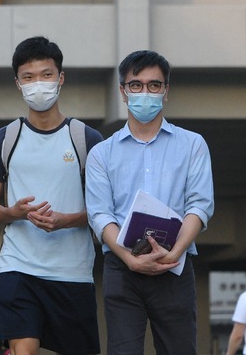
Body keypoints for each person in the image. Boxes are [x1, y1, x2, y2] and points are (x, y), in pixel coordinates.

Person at [0, 37, 102, 355]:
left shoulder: (87, 139)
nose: (38, 85)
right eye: (28, 77)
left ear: (61, 78)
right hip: (17, 265)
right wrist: (14, 212)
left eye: (46, 75)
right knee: (24, 350)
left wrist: (66, 220)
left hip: (72, 269)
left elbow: (106, 208)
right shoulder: (3, 139)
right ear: (18, 83)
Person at [85, 50, 215, 355]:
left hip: (176, 266)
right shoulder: (102, 154)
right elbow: (100, 214)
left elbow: (200, 204)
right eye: (136, 85)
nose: (145, 92)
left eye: (154, 85)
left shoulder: (193, 145)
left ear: (166, 91)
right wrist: (129, 258)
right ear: (122, 91)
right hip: (122, 265)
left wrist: (176, 252)